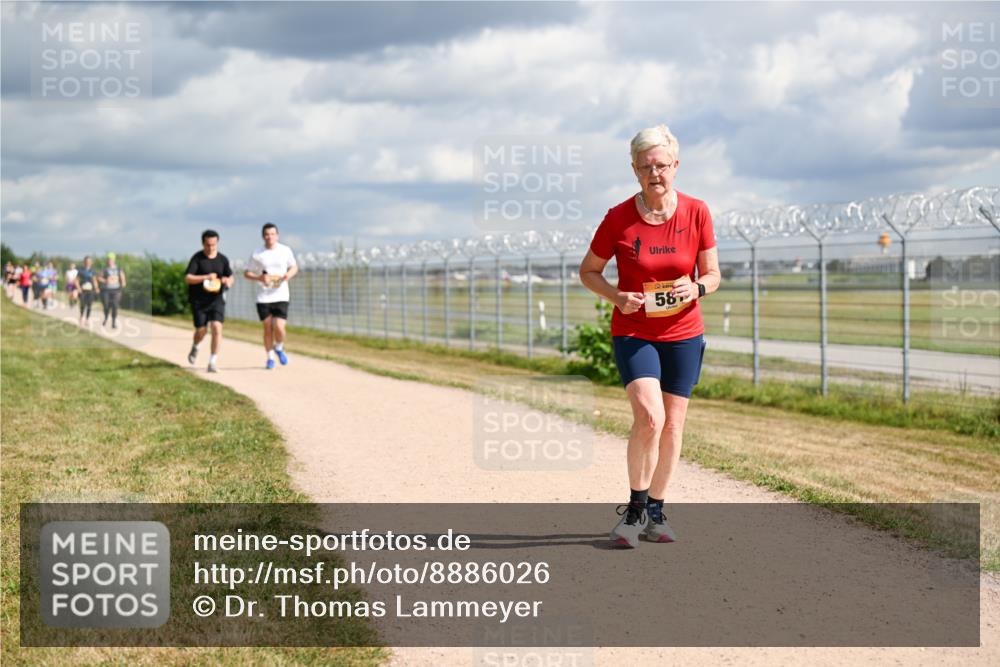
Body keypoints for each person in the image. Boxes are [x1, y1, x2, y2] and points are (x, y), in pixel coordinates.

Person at [579, 124, 721, 548]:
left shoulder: (696, 212)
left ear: (675, 166)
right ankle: (635, 510)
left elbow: (713, 275)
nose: (653, 173)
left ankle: (657, 512)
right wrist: (616, 295)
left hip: (683, 333)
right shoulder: (618, 218)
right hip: (635, 331)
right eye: (645, 166)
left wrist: (694, 288)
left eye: (661, 165)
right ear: (634, 170)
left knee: (673, 426)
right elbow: (588, 271)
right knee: (650, 417)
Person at [243, 222, 298, 369]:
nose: (269, 237)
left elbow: (294, 267)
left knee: (279, 327)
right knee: (267, 327)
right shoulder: (257, 253)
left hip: (281, 294)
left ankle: (279, 347)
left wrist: (287, 276)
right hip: (264, 296)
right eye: (267, 234)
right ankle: (270, 357)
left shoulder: (285, 250)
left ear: (277, 235)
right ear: (263, 236)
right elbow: (247, 273)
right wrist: (259, 278)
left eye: (272, 234)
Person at [185, 230, 234, 373]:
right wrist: (205, 277)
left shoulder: (223, 260)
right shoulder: (197, 259)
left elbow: (230, 277)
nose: (211, 248)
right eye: (208, 245)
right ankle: (196, 345)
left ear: (217, 243)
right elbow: (188, 278)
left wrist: (228, 281)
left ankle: (212, 361)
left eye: (214, 245)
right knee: (202, 330)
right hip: (199, 301)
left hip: (217, 300)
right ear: (203, 244)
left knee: (217, 327)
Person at [98, 252, 126, 328]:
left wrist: (123, 283)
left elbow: (122, 277)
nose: (109, 261)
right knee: (106, 306)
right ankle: (106, 317)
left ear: (114, 260)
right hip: (106, 290)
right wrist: (105, 281)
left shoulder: (118, 269)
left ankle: (113, 322)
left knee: (115, 305)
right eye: (108, 260)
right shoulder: (104, 269)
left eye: (111, 260)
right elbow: (99, 278)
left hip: (116, 290)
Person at [76, 256, 99, 326]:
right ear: (84, 262)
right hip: (83, 290)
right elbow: (76, 280)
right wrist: (78, 288)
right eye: (86, 261)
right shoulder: (80, 271)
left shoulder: (93, 271)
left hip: (90, 290)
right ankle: (81, 316)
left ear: (91, 263)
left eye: (89, 262)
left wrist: (97, 288)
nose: (88, 263)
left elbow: (94, 280)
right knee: (82, 304)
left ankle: (87, 319)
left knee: (89, 305)